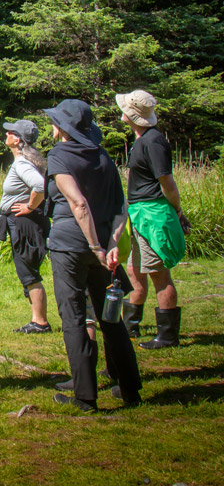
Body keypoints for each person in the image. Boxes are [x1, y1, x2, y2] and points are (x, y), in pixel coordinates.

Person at [43, 99, 141, 411]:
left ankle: (85, 396)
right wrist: (110, 246)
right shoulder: (103, 156)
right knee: (111, 317)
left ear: (62, 128)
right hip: (102, 247)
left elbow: (78, 203)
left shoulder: (58, 155)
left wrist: (97, 247)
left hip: (70, 246)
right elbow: (121, 207)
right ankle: (130, 389)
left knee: (73, 317)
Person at [116, 89, 190, 349]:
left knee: (159, 273)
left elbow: (167, 182)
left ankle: (168, 337)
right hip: (139, 213)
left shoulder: (153, 141)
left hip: (152, 214)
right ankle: (130, 328)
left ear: (132, 114)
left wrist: (177, 212)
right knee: (135, 270)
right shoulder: (141, 139)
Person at [0, 119, 52, 334]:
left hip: (24, 223)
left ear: (17, 139)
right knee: (27, 267)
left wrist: (30, 206)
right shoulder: (28, 160)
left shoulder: (22, 163)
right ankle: (37, 319)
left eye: (10, 132)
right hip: (24, 222)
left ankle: (40, 322)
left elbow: (39, 186)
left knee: (28, 270)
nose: (6, 134)